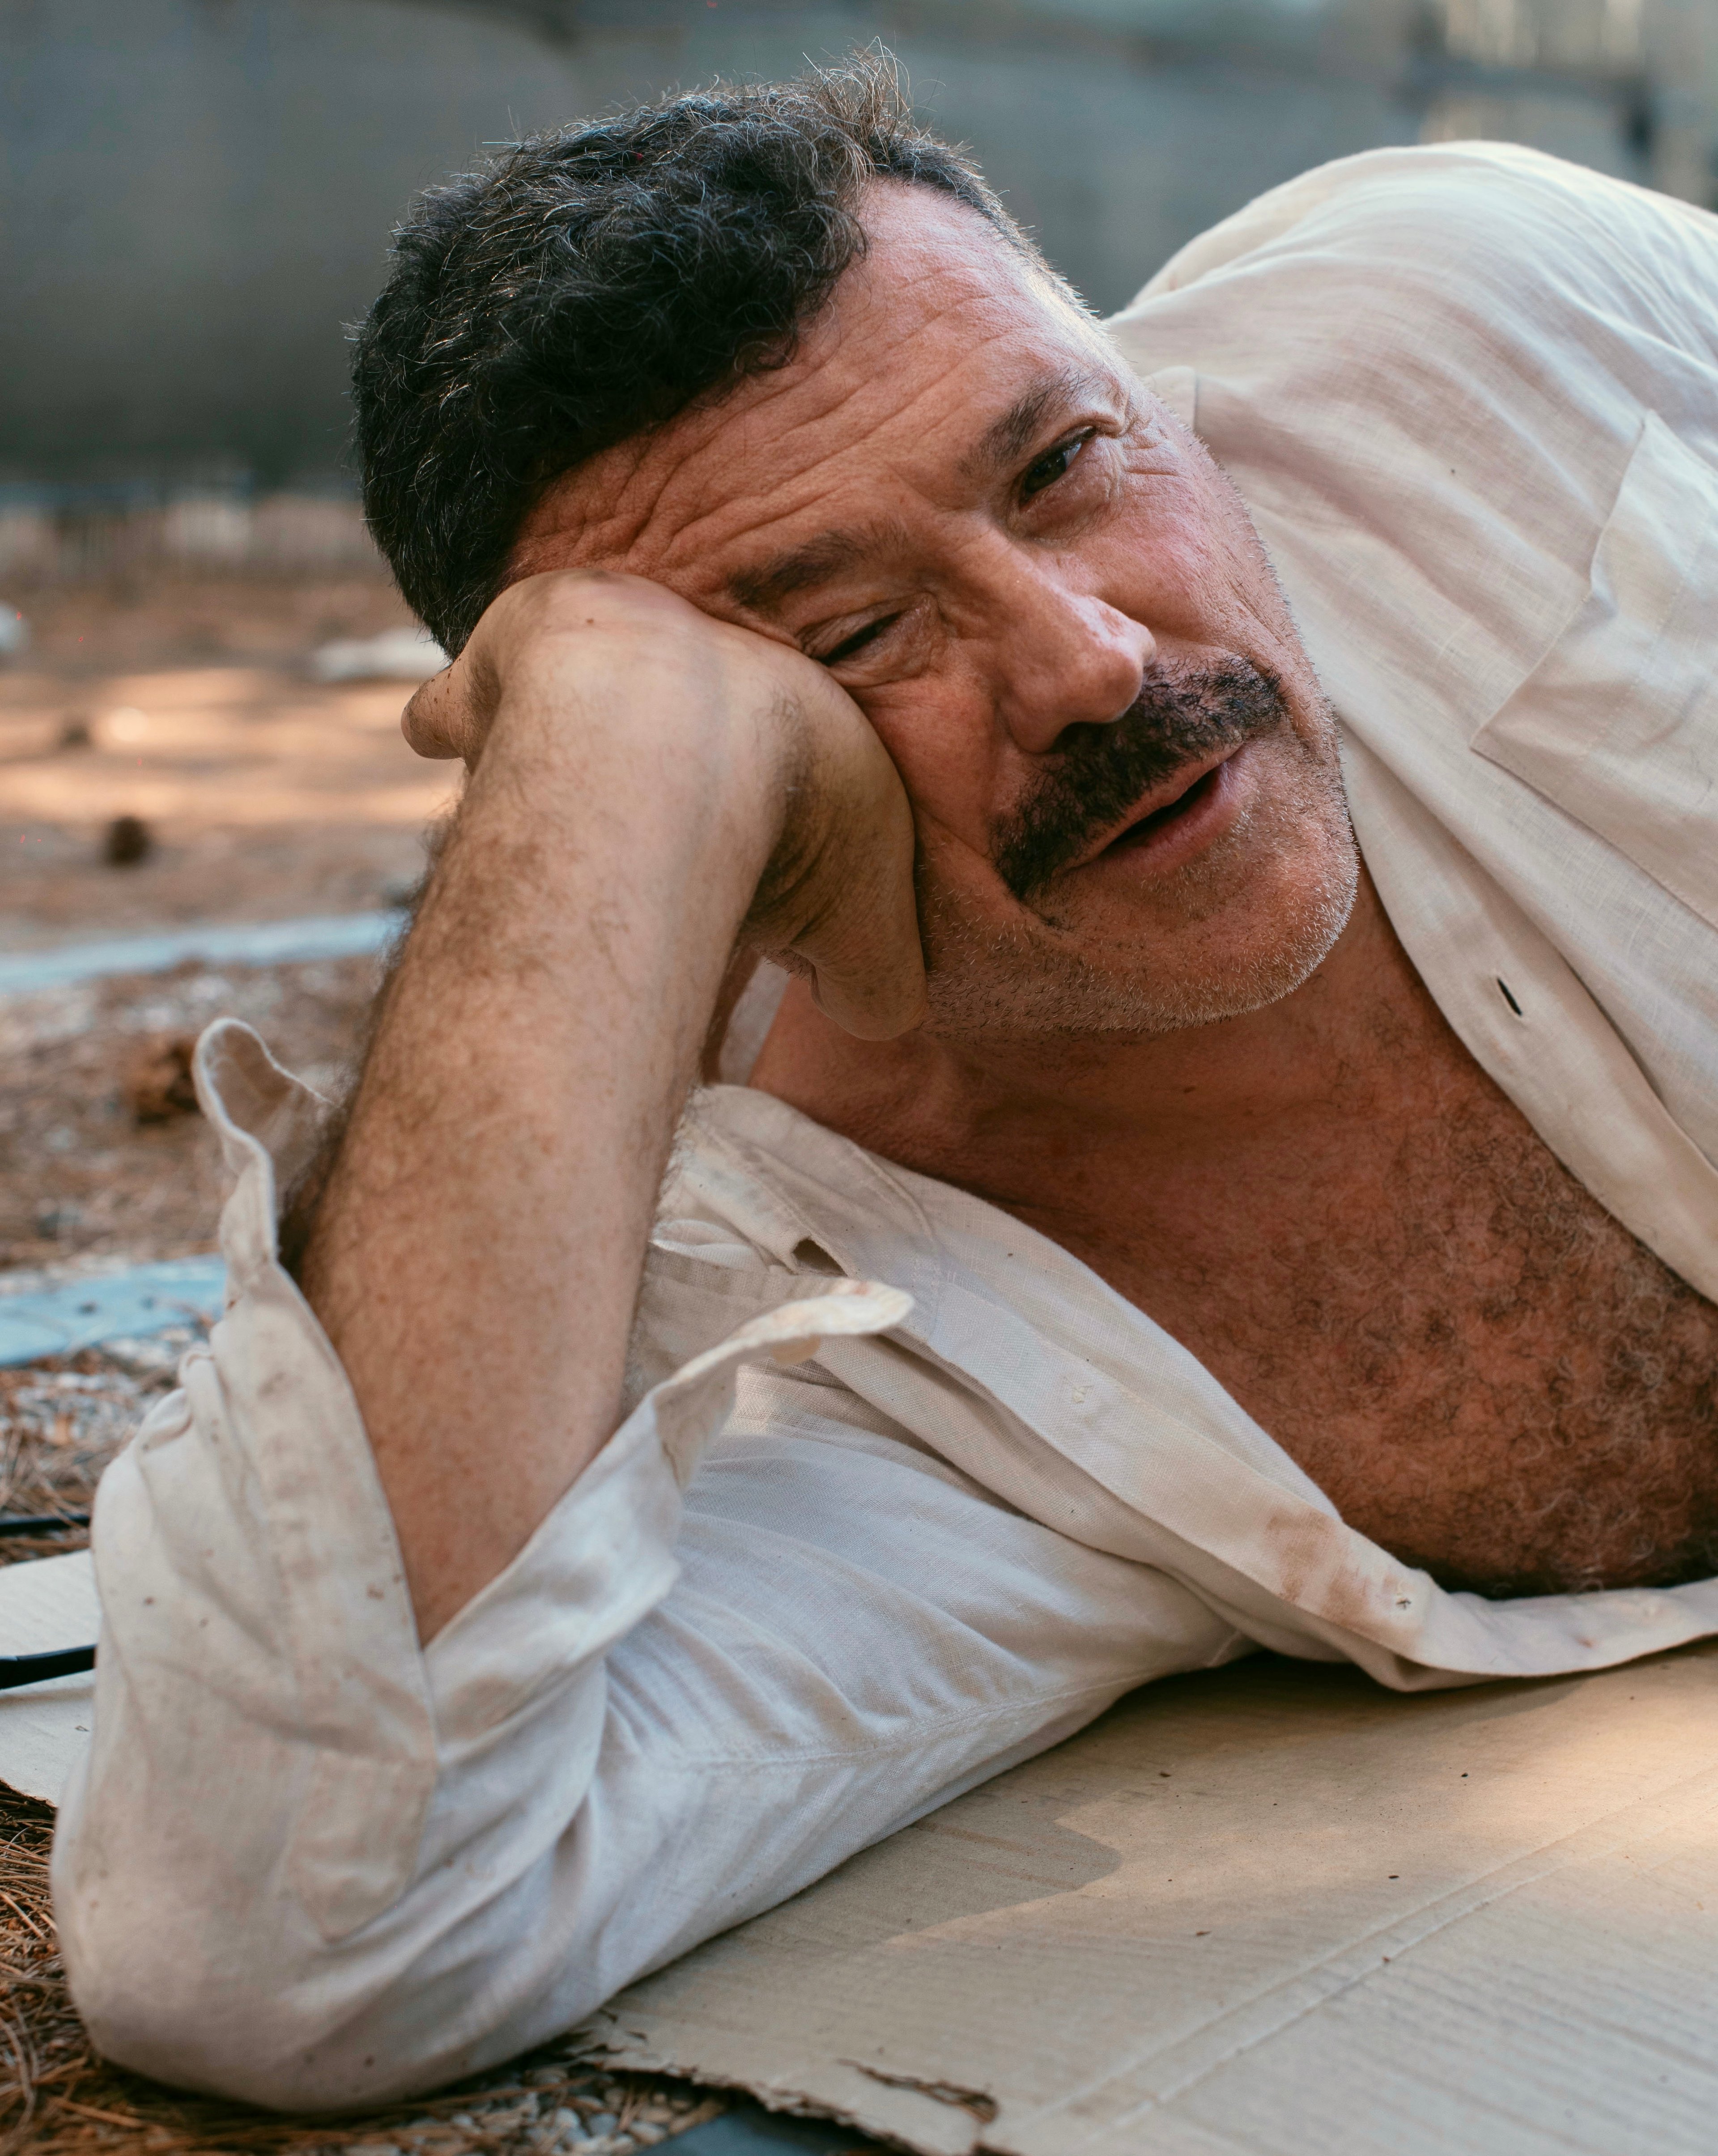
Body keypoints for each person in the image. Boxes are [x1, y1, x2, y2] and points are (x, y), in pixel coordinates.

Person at [54, 54, 1718, 2110]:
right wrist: (606, 739)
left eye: (1067, 462)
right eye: (850, 635)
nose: (1089, 657)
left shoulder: (1484, 334)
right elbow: (284, 1934)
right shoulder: (842, 1338)